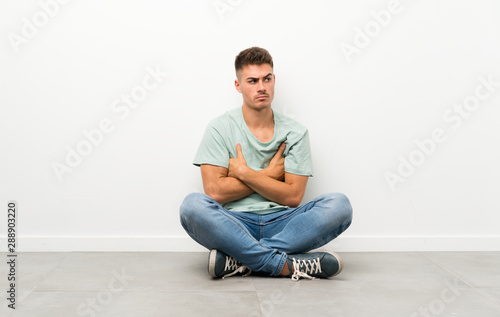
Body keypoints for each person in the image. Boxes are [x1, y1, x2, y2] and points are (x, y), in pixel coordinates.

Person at [179, 47, 353, 281]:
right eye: (252, 81)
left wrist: (244, 174)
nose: (261, 87)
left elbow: (292, 197)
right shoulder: (220, 128)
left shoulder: (295, 132)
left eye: (267, 79)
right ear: (238, 86)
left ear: (273, 80)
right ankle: (283, 265)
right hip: (234, 223)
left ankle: (241, 260)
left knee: (339, 205)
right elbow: (214, 192)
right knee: (192, 206)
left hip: (283, 223)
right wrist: (269, 174)